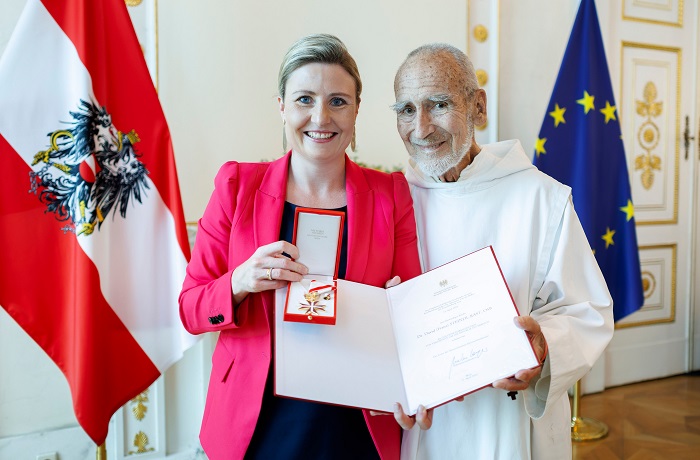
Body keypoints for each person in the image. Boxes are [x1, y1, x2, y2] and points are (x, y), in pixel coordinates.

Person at [179, 34, 421, 460]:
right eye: (305, 99)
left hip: (358, 422)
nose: (320, 116)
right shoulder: (237, 186)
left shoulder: (392, 194)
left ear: (357, 109)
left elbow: (413, 307)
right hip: (258, 423)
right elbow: (191, 309)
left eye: (338, 101)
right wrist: (239, 280)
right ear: (282, 107)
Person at [391, 43, 614, 459]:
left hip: (509, 422)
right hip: (423, 426)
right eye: (406, 109)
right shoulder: (391, 200)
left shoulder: (541, 198)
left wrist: (544, 345)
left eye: (438, 104)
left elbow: (589, 313)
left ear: (478, 106)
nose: (420, 128)